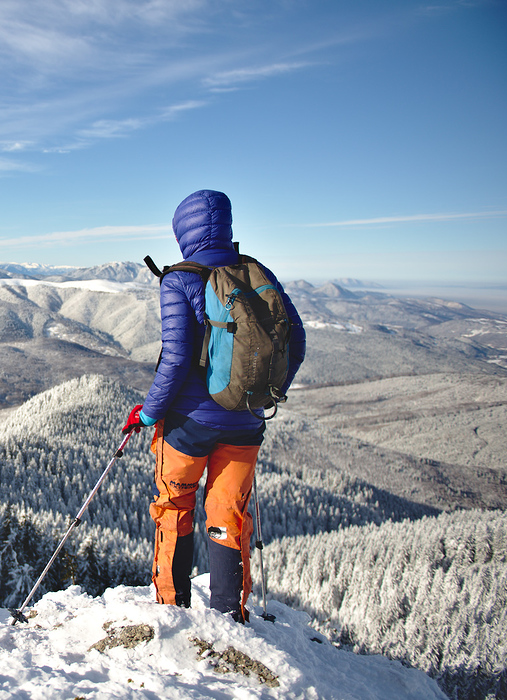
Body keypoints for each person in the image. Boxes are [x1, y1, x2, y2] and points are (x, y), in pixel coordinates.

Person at [122, 189, 305, 622]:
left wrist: (148, 413)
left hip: (187, 425)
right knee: (228, 516)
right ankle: (229, 614)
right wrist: (265, 395)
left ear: (182, 232)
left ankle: (172, 609)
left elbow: (177, 357)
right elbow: (294, 342)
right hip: (245, 423)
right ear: (226, 226)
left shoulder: (180, 280)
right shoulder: (257, 273)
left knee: (174, 508)